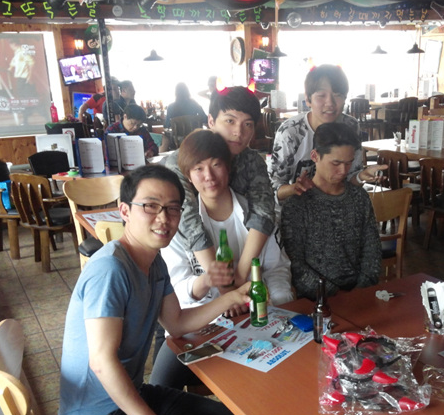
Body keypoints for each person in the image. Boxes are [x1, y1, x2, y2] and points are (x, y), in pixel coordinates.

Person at [58, 165, 247, 415]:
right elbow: (101, 361)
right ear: (125, 210)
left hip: (129, 395)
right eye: (151, 206)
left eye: (173, 208)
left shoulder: (153, 261)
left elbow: (176, 323)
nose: (164, 218)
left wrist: (231, 297)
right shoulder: (111, 270)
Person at [152, 130, 294, 389]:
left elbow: (277, 268)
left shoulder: (256, 216)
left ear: (228, 168)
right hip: (202, 326)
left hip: (257, 319)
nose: (209, 176)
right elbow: (177, 289)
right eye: (198, 169)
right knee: (161, 385)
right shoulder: (179, 224)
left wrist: (276, 305)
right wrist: (207, 282)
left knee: (276, 381)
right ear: (188, 176)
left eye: (216, 165)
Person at [163, 86, 275, 290]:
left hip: (242, 247)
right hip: (191, 265)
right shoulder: (181, 162)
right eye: (230, 121)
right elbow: (189, 222)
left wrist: (240, 275)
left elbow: (263, 213)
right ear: (211, 121)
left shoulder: (251, 161)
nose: (238, 132)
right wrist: (223, 286)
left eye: (247, 124)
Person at [280, 122, 381, 301]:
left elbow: (372, 250)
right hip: (316, 299)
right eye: (336, 163)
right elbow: (296, 266)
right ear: (315, 156)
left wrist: (361, 290)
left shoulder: (359, 197)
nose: (343, 171)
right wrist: (335, 295)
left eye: (348, 163)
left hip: (360, 294)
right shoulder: (297, 204)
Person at [267, 64, 385, 205]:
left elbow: (350, 178)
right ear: (308, 99)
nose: (330, 103)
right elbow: (272, 188)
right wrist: (294, 188)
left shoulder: (350, 126)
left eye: (337, 95)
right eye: (321, 95)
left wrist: (362, 176)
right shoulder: (291, 132)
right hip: (295, 210)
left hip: (336, 208)